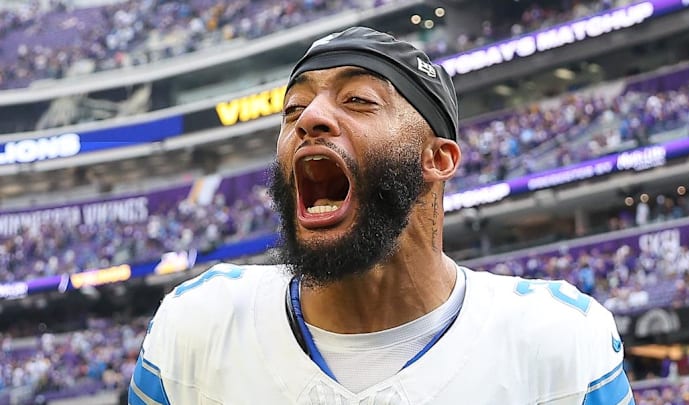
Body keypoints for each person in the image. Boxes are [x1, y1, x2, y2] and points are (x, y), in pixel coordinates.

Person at [129, 27, 632, 404]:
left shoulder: (558, 344)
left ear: (438, 158)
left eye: (358, 100)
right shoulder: (195, 328)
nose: (308, 119)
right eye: (293, 109)